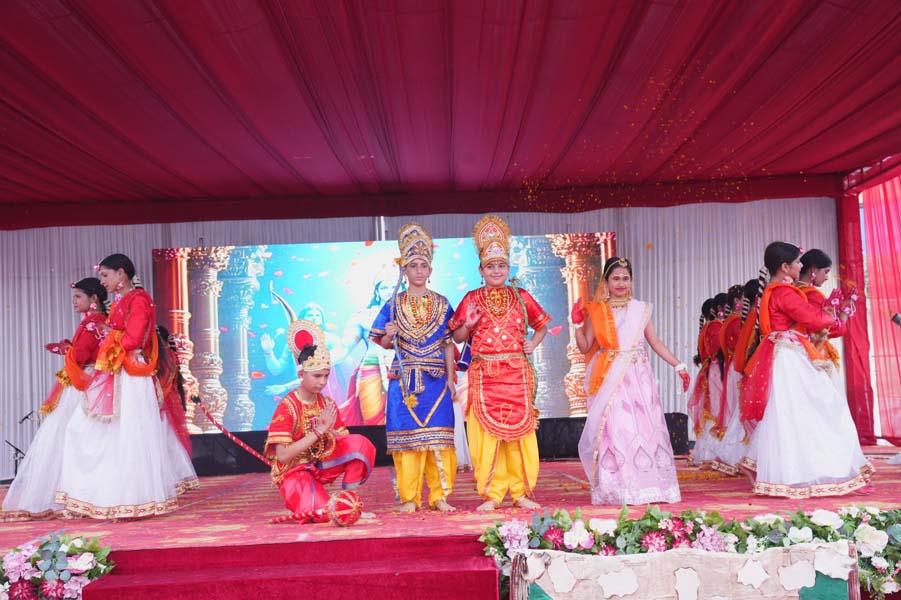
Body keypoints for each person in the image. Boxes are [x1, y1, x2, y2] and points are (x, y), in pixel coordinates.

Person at [55, 254, 198, 518]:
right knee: (98, 433)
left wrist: (107, 335)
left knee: (129, 436)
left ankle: (133, 499)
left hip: (132, 376)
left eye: (105, 275)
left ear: (121, 273)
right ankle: (108, 497)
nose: (102, 281)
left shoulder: (139, 299)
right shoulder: (122, 300)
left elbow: (133, 339)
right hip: (118, 372)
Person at [738, 242, 872, 498]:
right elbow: (812, 319)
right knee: (820, 406)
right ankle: (803, 470)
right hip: (790, 357)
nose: (801, 266)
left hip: (785, 354)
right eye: (798, 262)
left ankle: (770, 466)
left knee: (788, 413)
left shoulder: (776, 291)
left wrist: (829, 313)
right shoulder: (784, 293)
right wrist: (834, 315)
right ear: (784, 267)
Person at [450, 215, 550, 511]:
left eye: (501, 265)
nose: (496, 271)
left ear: (508, 268)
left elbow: (541, 326)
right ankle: (493, 495)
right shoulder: (472, 298)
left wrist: (533, 343)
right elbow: (456, 336)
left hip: (516, 374)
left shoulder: (521, 296)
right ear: (481, 270)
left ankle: (520, 493)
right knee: (487, 436)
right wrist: (468, 325)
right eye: (491, 266)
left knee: (519, 435)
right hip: (485, 375)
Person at [573, 257, 689, 505]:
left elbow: (655, 342)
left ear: (631, 281)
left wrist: (678, 364)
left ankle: (648, 485)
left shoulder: (641, 310)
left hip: (638, 377)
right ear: (606, 282)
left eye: (625, 278)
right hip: (609, 375)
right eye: (615, 278)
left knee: (644, 427)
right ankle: (618, 488)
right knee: (616, 427)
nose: (621, 283)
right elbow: (585, 347)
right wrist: (576, 325)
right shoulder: (597, 311)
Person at [1, 278, 107, 520]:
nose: (74, 302)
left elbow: (80, 356)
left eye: (78, 297)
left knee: (71, 436)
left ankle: (76, 496)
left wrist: (66, 351)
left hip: (84, 384)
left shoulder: (93, 323)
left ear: (93, 299)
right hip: (90, 381)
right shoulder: (97, 322)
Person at [370, 222, 457, 512]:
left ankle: (439, 496)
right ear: (404, 270)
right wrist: (389, 334)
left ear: (430, 270)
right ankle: (410, 498)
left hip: (436, 379)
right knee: (407, 442)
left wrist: (450, 379)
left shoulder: (442, 304)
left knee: (439, 439)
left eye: (423, 266)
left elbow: (448, 343)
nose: (419, 271)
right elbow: (383, 342)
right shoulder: (393, 304)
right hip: (404, 381)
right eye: (413, 266)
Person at [265, 319, 376, 521]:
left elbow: (345, 442)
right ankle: (313, 501)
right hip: (295, 471)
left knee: (360, 444)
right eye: (317, 376)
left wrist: (330, 432)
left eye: (326, 376)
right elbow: (283, 456)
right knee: (325, 514)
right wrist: (318, 432)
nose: (323, 382)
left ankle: (349, 501)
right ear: (301, 374)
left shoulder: (327, 403)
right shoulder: (287, 406)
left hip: (321, 464)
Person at [710, 280, 758, 475]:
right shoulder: (741, 320)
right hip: (743, 369)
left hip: (735, 368)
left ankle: (740, 455)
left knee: (738, 411)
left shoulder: (735, 321)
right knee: (741, 412)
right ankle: (738, 456)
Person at [688, 294, 727, 468]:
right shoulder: (716, 326)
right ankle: (712, 453)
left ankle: (707, 453)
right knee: (716, 410)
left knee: (713, 410)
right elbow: (720, 351)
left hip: (710, 370)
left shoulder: (707, 327)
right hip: (716, 371)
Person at [796, 249, 845, 368]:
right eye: (826, 271)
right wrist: (845, 311)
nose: (827, 277)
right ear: (813, 270)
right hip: (812, 353)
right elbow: (833, 330)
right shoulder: (812, 295)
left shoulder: (794, 290)